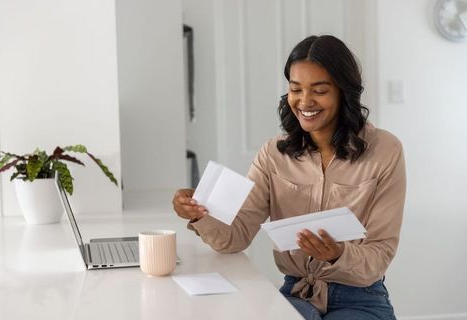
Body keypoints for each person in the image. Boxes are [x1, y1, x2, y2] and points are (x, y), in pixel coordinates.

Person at [172, 35, 406, 320]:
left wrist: (337, 254)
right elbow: (236, 236)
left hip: (361, 298)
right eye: (296, 89)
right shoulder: (273, 154)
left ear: (344, 92)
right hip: (296, 293)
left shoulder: (384, 150)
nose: (305, 101)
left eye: (319, 90)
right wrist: (199, 213)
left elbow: (380, 253)